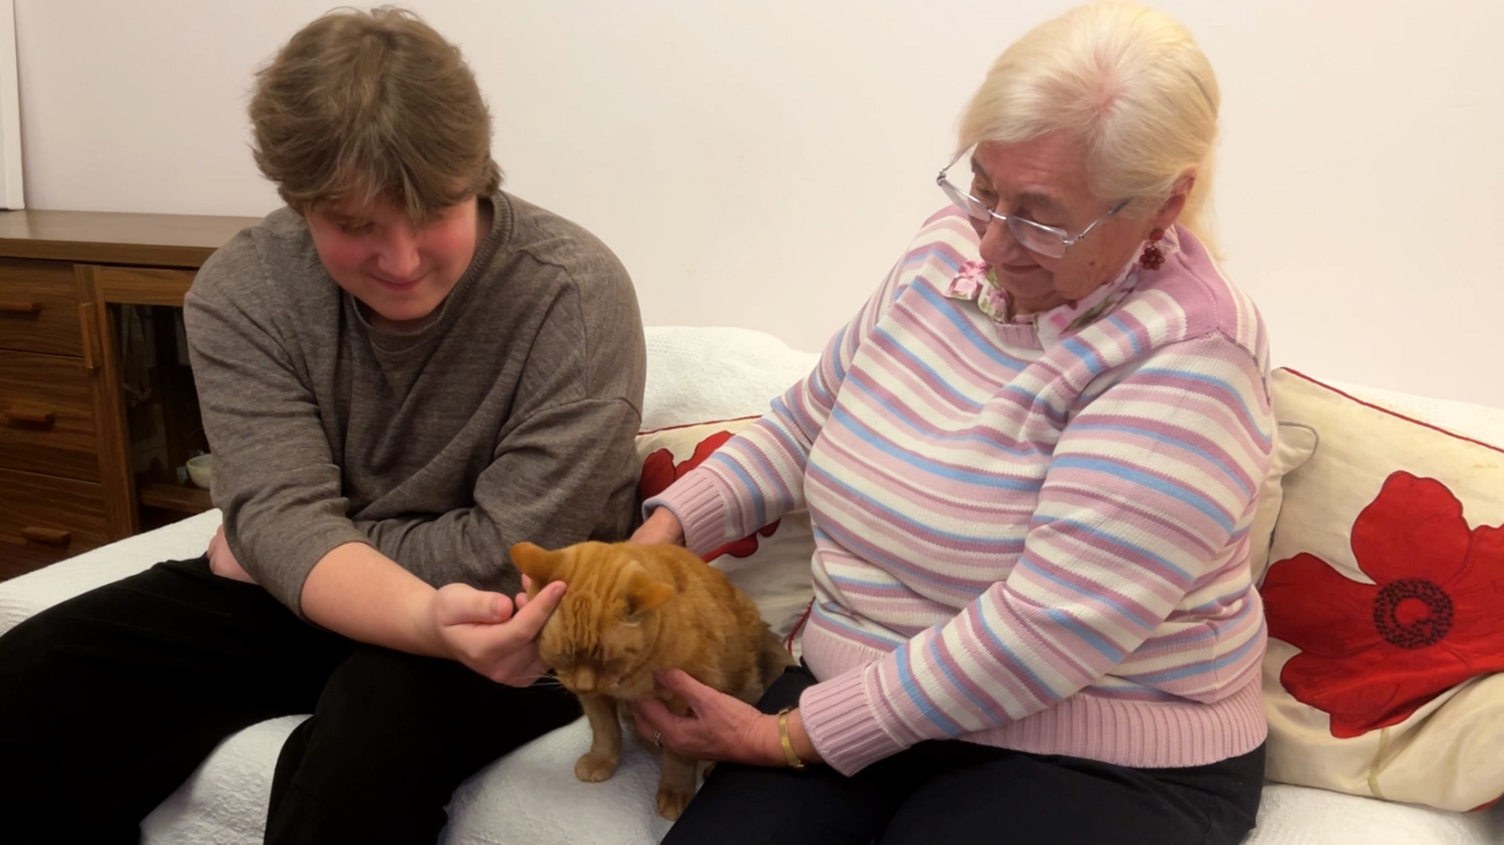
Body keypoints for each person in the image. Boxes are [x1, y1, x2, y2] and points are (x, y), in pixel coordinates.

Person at [0, 7, 645, 844]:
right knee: (29, 680)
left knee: (361, 746)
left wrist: (283, 549)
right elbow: (279, 516)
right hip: (313, 596)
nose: (402, 259)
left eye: (434, 211)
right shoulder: (245, 289)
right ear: (299, 202)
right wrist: (284, 540)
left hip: (522, 620)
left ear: (478, 175)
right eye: (355, 225)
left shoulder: (575, 294)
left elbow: (512, 550)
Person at [631, 4, 1272, 844]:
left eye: (1041, 215)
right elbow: (807, 421)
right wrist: (659, 537)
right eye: (984, 188)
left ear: (1164, 201)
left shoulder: (1193, 352)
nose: (993, 244)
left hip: (1097, 744)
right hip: (853, 688)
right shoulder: (947, 252)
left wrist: (783, 737)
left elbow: (1043, 632)